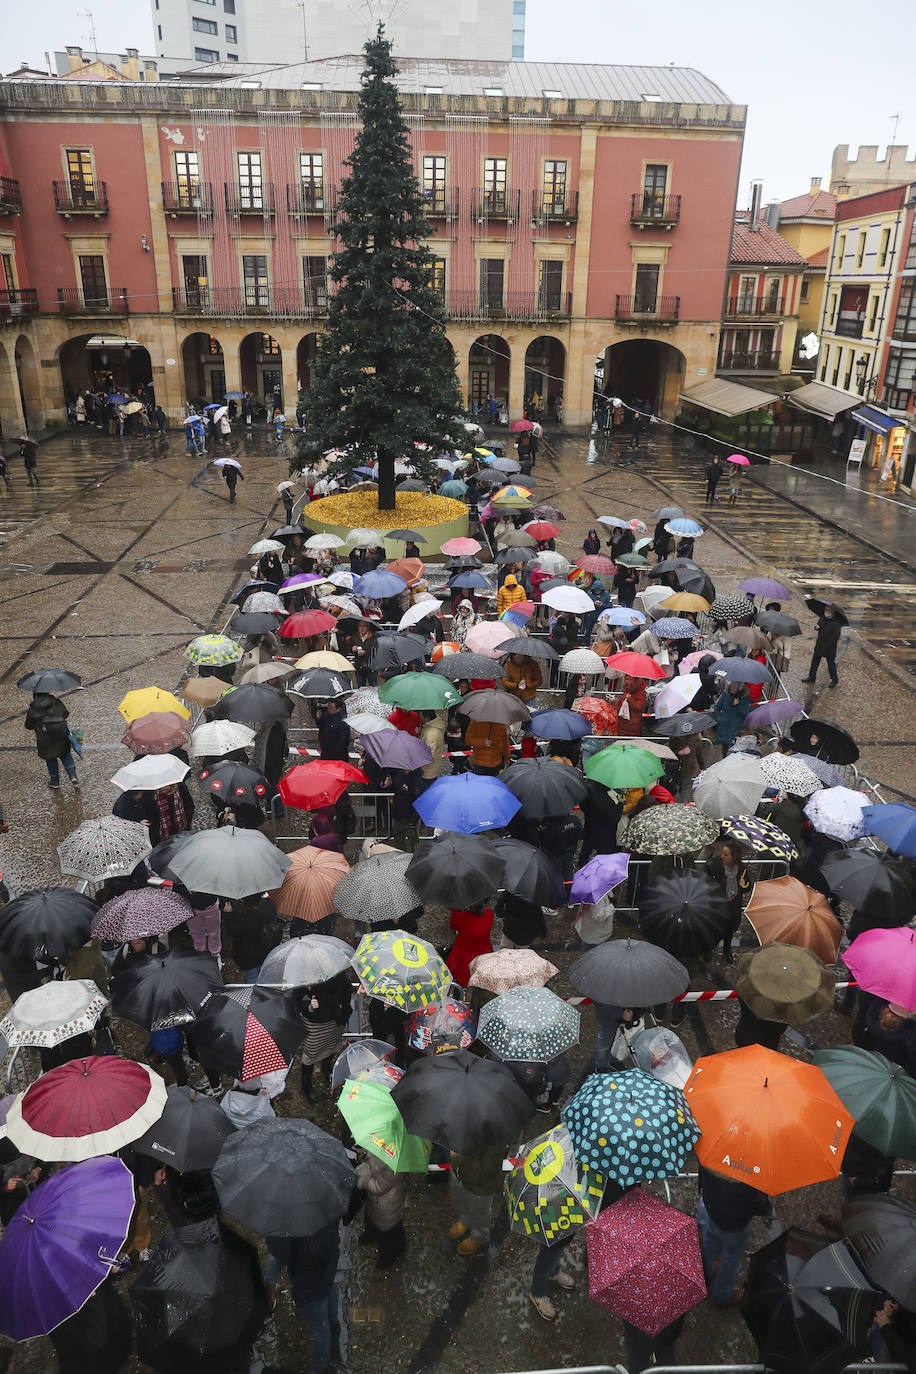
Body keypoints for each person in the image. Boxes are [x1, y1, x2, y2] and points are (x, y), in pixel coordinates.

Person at [265, 1221, 347, 1374]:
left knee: (320, 1333)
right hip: (327, 1267)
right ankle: (334, 1326)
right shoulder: (327, 1207)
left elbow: (280, 1254)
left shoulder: (288, 1223)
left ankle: (319, 1369)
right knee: (330, 1291)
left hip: (309, 1285)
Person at [697, 1164, 770, 1306]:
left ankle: (704, 1273)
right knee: (731, 1257)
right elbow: (762, 1208)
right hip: (734, 1226)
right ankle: (722, 1296)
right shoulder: (750, 1175)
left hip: (712, 1211)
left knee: (710, 1238)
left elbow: (702, 1178)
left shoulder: (712, 1154)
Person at [356, 1152, 408, 1269]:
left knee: (389, 1231)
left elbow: (379, 1187)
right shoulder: (379, 1143)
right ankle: (372, 1233)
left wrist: (364, 1179)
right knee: (371, 1217)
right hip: (375, 1201)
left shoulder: (395, 1163)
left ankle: (392, 1254)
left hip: (388, 1204)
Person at [25, 691, 79, 789]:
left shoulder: (34, 708)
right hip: (61, 734)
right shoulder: (56, 702)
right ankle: (73, 775)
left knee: (51, 758)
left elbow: (28, 726)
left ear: (35, 695)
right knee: (65, 754)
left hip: (45, 739)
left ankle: (55, 781)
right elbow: (65, 714)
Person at [446, 902, 494, 986]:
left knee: (462, 978)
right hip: (483, 952)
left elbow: (453, 925)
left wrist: (456, 909)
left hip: (464, 953)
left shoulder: (462, 917)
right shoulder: (489, 913)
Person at [802, 602, 842, 687]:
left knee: (831, 664)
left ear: (833, 611)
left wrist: (827, 646)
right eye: (826, 608)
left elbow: (835, 637)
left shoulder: (836, 623)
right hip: (820, 644)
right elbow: (819, 624)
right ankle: (811, 677)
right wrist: (817, 627)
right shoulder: (823, 617)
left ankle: (834, 679)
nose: (826, 610)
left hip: (829, 648)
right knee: (814, 662)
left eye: (828, 609)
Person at [714, 682, 750, 755]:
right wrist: (718, 718)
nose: (731, 688)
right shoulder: (725, 695)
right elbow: (717, 707)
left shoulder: (744, 699)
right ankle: (724, 762)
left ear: (738, 689)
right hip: (724, 725)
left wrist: (738, 705)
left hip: (736, 727)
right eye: (731, 687)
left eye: (734, 688)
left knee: (736, 749)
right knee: (724, 747)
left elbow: (745, 713)